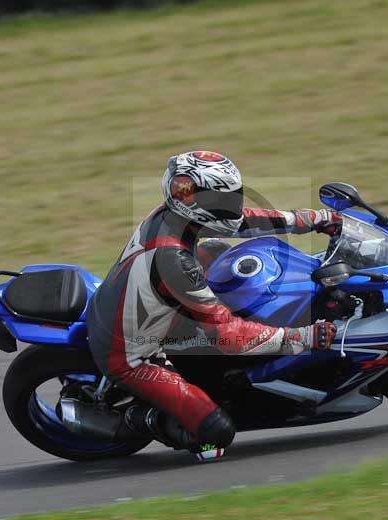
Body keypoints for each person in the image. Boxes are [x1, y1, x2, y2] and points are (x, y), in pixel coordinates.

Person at [86, 151, 341, 460]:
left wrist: (313, 220)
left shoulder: (175, 216)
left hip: (148, 310)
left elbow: (245, 221)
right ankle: (138, 420)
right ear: (194, 202)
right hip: (133, 354)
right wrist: (303, 338)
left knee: (223, 255)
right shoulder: (174, 260)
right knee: (216, 437)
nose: (233, 205)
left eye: (233, 196)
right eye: (224, 200)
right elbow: (229, 337)